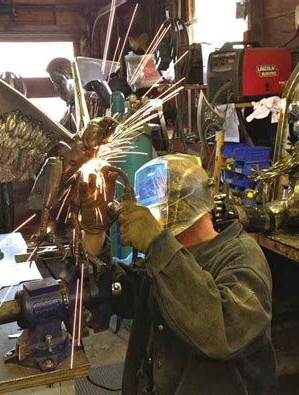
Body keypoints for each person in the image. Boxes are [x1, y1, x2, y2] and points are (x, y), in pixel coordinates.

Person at [78, 154, 276, 395]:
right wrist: (94, 234)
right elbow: (121, 293)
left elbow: (222, 333)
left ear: (175, 210)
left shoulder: (242, 257)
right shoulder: (163, 257)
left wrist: (159, 244)